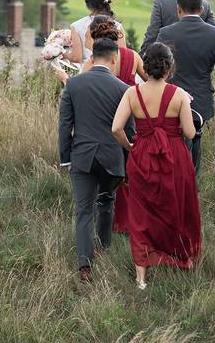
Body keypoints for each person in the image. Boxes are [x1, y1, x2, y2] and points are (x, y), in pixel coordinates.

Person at [112, 42, 201, 289]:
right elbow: (191, 134)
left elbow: (116, 128)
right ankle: (178, 256)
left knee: (140, 214)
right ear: (169, 67)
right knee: (176, 206)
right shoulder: (180, 94)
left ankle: (141, 278)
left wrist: (130, 146)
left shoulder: (132, 93)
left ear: (147, 66)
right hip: (174, 157)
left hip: (142, 156)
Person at [58, 37, 135, 283]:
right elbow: (129, 131)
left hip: (82, 155)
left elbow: (64, 126)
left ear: (91, 58)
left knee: (83, 210)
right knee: (107, 201)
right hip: (112, 156)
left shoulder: (73, 85)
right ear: (114, 60)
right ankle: (103, 247)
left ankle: (84, 265)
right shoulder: (123, 89)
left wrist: (65, 157)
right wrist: (125, 163)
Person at [155, 0, 215, 176]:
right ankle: (190, 187)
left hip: (169, 101)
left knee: (173, 146)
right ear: (202, 10)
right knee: (194, 139)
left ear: (178, 9)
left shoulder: (165, 33)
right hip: (200, 103)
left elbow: (156, 70)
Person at [85, 16, 148, 234]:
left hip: (104, 121)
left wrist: (64, 79)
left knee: (106, 172)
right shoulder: (133, 56)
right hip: (130, 120)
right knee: (129, 169)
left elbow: (80, 88)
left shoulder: (93, 62)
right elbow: (150, 81)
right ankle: (132, 220)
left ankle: (108, 222)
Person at [140, 0, 215, 56]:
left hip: (170, 62)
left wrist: (141, 58)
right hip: (200, 62)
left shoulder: (160, 4)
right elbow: (214, 35)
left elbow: (152, 35)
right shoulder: (205, 4)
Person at [66, 0, 126, 65]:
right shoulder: (117, 26)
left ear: (88, 2)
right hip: (111, 72)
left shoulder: (76, 26)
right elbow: (122, 56)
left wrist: (62, 54)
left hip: (86, 72)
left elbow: (76, 57)